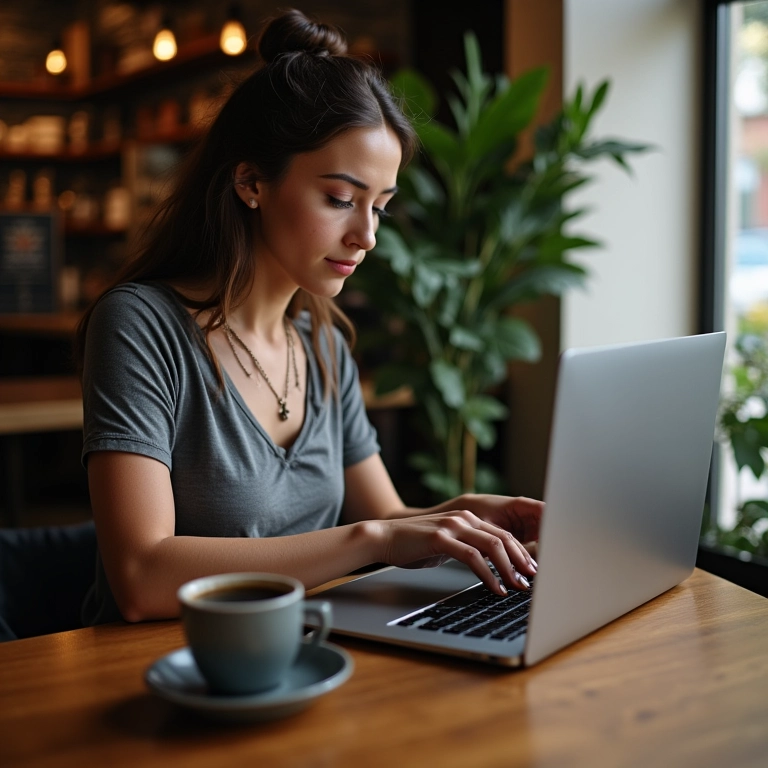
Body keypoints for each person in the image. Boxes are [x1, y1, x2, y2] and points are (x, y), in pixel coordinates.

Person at [75, 8, 543, 625]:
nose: (366, 236)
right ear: (251, 182)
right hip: (167, 665)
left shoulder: (322, 345)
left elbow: (385, 517)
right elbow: (141, 577)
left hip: (304, 655)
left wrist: (462, 516)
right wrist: (375, 538)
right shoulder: (140, 326)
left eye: (380, 207)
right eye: (340, 199)